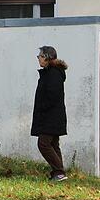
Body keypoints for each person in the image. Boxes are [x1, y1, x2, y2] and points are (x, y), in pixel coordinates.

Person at [32, 45, 69, 182]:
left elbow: (52, 96)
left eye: (40, 56)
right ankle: (58, 173)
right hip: (53, 116)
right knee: (53, 144)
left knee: (44, 144)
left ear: (47, 57)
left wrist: (42, 108)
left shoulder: (53, 74)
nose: (38, 59)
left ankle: (59, 171)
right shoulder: (51, 72)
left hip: (51, 117)